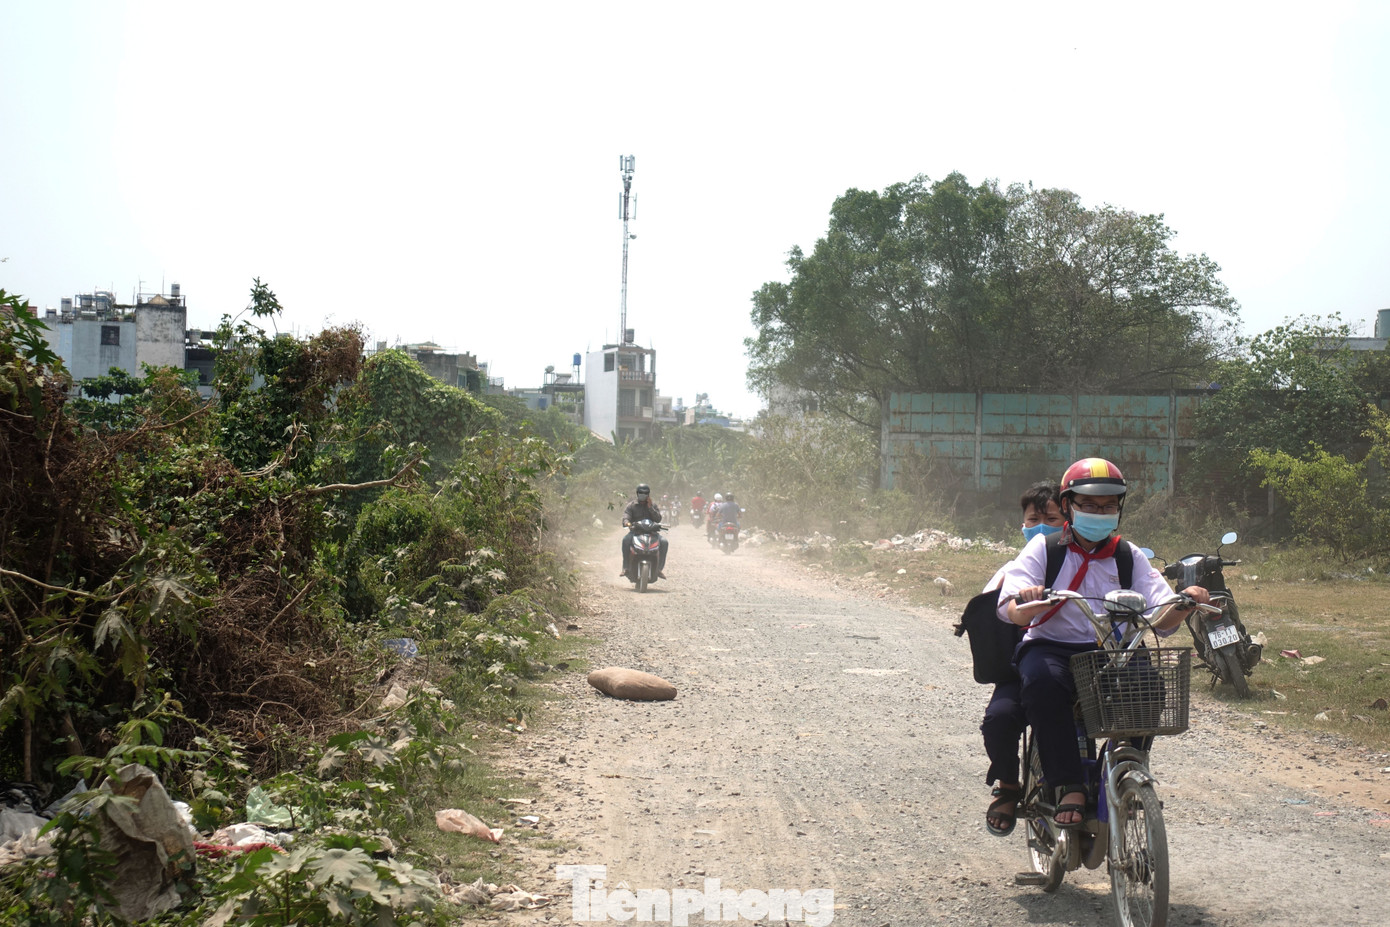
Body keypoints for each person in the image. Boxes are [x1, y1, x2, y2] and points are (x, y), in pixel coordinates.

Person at [997, 458, 1210, 828]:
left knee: (1149, 687)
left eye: (1109, 505)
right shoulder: (1044, 551)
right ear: (1068, 507)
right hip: (1053, 646)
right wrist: (1028, 600)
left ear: (1119, 509)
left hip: (1116, 651)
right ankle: (1069, 784)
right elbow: (1012, 610)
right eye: (1089, 505)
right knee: (1043, 686)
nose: (1100, 512)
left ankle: (1126, 764)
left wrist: (1186, 600)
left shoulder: (1129, 556)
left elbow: (1161, 620)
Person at [981, 481, 1066, 837]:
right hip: (1021, 668)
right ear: (1023, 525)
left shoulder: (1084, 561)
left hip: (1077, 662)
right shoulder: (1011, 570)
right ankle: (1008, 784)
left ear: (1068, 520)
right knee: (999, 719)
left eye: (1051, 518)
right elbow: (989, 611)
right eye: (1034, 519)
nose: (1041, 526)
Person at [621, 484, 669, 578]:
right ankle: (626, 567)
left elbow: (658, 519)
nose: (643, 495)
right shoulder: (631, 506)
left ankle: (659, 569)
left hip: (652, 533)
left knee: (664, 542)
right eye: (641, 493)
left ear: (648, 494)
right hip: (635, 532)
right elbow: (626, 517)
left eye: (645, 493)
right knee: (625, 540)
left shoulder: (653, 505)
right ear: (637, 493)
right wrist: (627, 523)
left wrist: (650, 507)